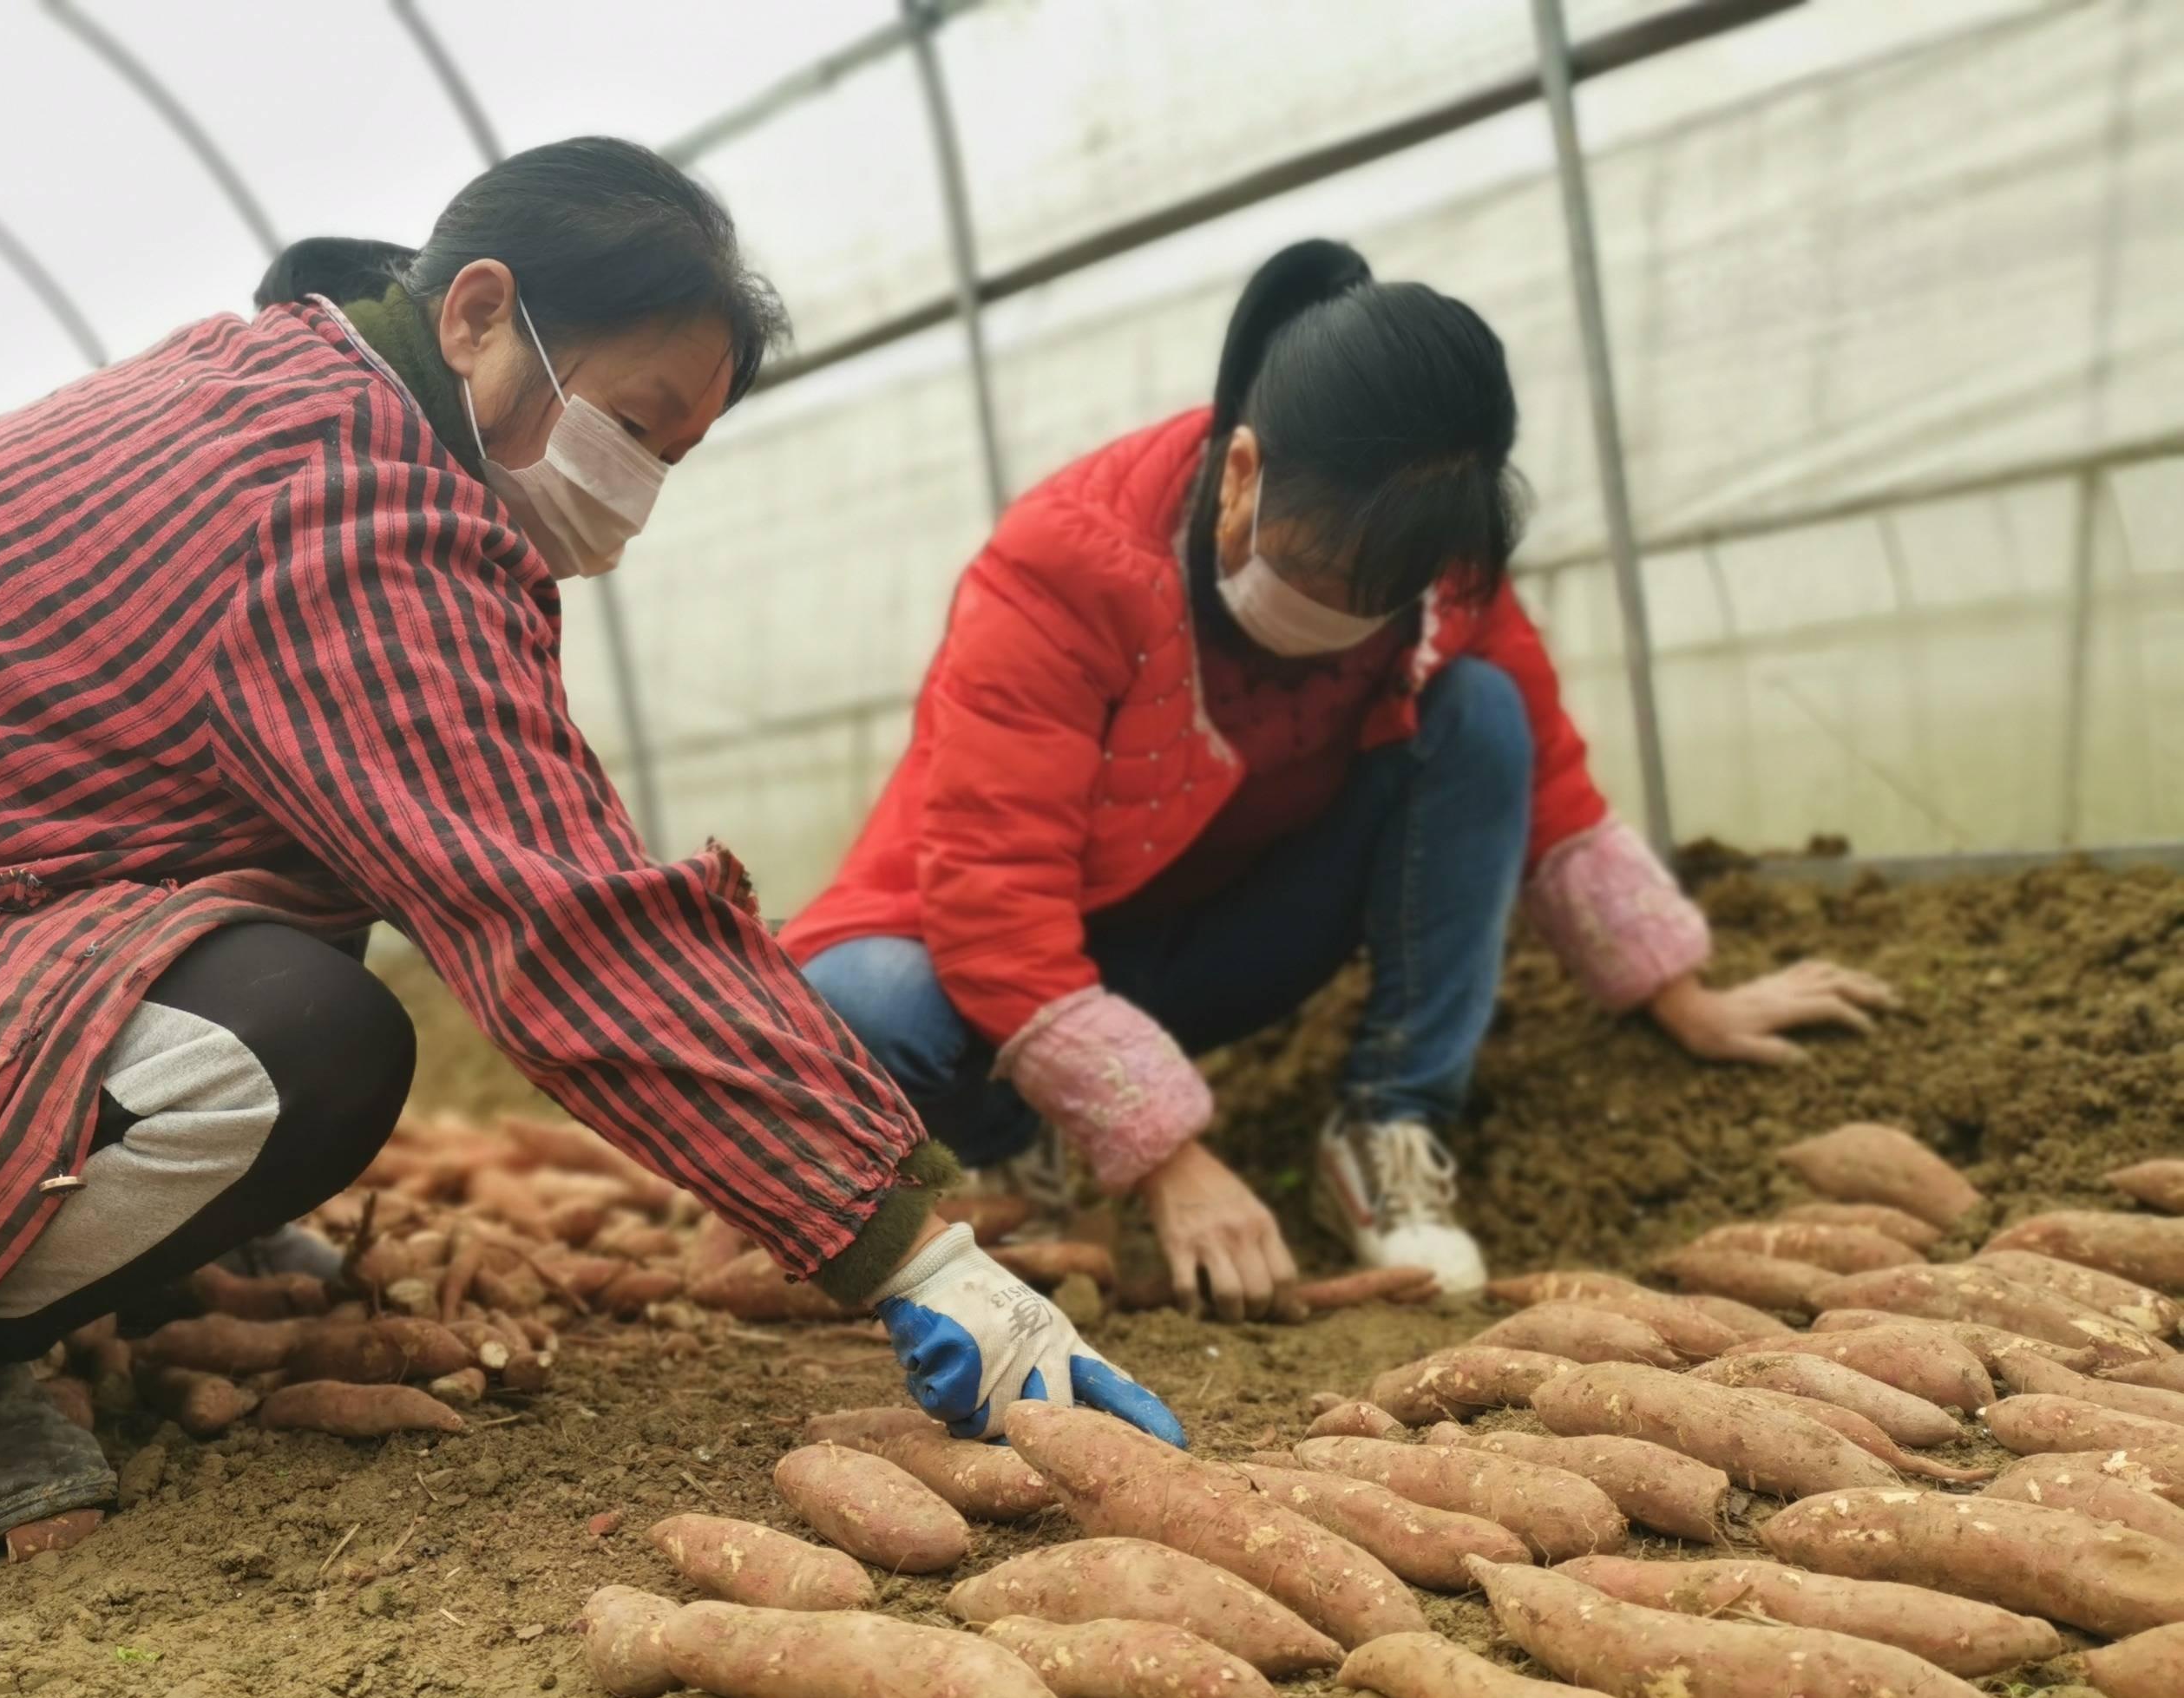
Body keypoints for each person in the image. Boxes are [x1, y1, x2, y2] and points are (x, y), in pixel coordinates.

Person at [0, 139, 1177, 1550]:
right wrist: (906, 1250)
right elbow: (560, 914)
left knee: (307, 903)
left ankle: (44, 1237)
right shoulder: (341, 498)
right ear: (477, 313)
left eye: (672, 457)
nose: (637, 490)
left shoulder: (296, 386)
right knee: (308, 1045)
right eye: (631, 422)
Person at [783, 240, 1890, 1310]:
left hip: (1231, 936)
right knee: (861, 1004)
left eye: (1382, 596)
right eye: (1317, 571)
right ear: (1245, 473)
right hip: (1005, 959)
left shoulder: (1441, 561)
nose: (1343, 617)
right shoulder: (1065, 566)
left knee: (1482, 711)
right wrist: (1168, 1156)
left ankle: (1388, 1125)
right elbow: (994, 891)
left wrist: (1681, 993)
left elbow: (1541, 772)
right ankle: (1013, 1150)